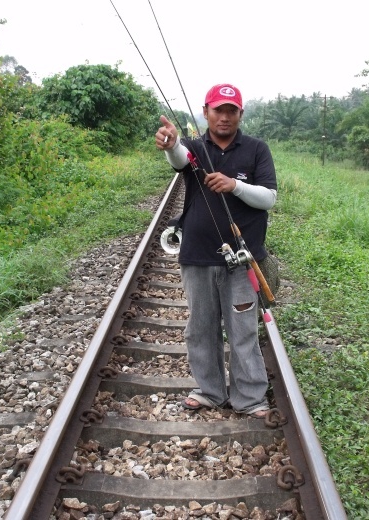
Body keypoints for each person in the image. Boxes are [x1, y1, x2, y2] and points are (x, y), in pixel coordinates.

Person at [154, 83, 278, 418]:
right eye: (218, 110)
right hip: (197, 254)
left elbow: (268, 198)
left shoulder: (256, 149)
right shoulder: (195, 147)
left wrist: (234, 185)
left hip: (243, 256)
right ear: (206, 112)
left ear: (240, 114)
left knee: (243, 329)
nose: (224, 117)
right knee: (201, 326)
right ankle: (209, 390)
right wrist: (171, 144)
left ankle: (250, 398)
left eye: (231, 110)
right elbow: (181, 159)